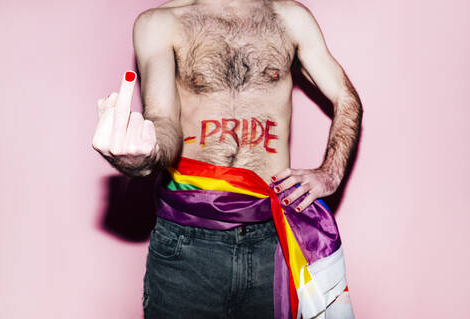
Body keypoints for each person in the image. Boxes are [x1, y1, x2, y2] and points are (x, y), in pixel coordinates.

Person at [92, 0, 362, 318]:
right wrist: (141, 156)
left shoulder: (290, 18)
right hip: (188, 243)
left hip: (271, 240)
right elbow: (163, 121)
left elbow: (346, 97)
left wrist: (330, 172)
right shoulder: (160, 23)